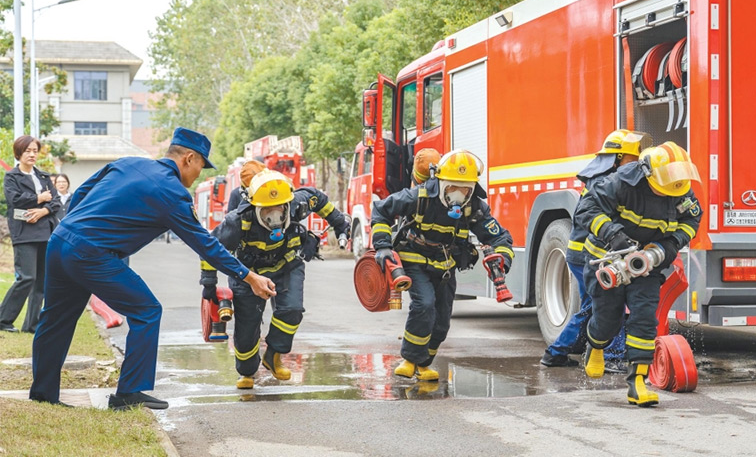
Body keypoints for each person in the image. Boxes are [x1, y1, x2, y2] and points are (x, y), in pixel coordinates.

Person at [29, 127, 277, 410]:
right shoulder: (172, 194)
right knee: (147, 310)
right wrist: (249, 276)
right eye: (201, 166)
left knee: (55, 319)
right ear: (189, 158)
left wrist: (76, 228)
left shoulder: (127, 162)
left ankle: (43, 394)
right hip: (91, 254)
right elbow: (206, 244)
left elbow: (82, 192)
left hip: (60, 241)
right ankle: (129, 392)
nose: (200, 174)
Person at [576, 141, 703, 407]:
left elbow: (692, 220)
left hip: (648, 262)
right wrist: (615, 237)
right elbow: (587, 210)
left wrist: (667, 247)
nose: (674, 184)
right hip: (606, 260)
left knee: (645, 319)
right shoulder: (620, 183)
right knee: (608, 320)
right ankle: (596, 345)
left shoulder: (679, 190)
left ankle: (637, 383)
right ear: (648, 172)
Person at [200, 169, 350, 389]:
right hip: (248, 274)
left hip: (286, 265)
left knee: (292, 310)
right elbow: (210, 249)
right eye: (267, 209)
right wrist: (209, 284)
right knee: (247, 325)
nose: (274, 214)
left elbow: (318, 199)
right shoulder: (238, 221)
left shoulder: (297, 203)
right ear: (255, 206)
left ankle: (273, 355)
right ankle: (247, 371)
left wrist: (338, 222)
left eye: (279, 207)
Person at [371, 149, 513, 381]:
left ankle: (424, 363)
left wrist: (502, 259)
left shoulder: (474, 206)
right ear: (441, 182)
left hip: (445, 266)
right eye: (452, 188)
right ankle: (409, 359)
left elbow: (500, 237)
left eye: (465, 189)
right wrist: (383, 245)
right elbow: (381, 211)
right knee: (424, 305)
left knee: (442, 321)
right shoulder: (419, 196)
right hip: (415, 259)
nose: (458, 195)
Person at [541, 130, 651, 372]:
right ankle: (609, 355)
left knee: (595, 305)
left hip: (585, 256)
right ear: (618, 158)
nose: (638, 165)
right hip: (587, 258)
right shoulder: (605, 182)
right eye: (634, 159)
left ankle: (557, 353)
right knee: (601, 305)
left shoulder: (603, 177)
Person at [0, 136, 60, 334]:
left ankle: (32, 325)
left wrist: (43, 210)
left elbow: (56, 201)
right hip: (24, 233)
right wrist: (38, 198)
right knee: (26, 278)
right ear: (19, 153)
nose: (32, 154)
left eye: (35, 150)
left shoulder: (43, 177)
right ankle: (3, 319)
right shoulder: (12, 177)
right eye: (28, 151)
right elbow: (14, 199)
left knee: (41, 281)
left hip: (45, 232)